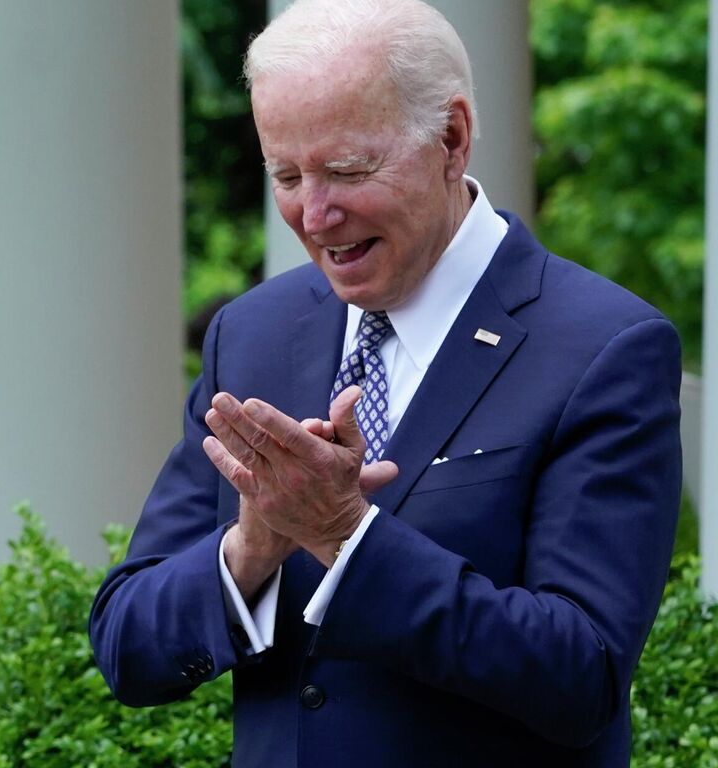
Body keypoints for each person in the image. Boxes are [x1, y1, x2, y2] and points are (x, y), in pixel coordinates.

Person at [87, 1, 681, 766]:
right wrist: (252, 548)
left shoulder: (605, 346)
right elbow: (127, 644)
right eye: (287, 175)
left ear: (452, 139)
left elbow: (580, 676)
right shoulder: (255, 334)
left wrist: (345, 537)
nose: (316, 213)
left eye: (347, 169)